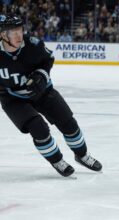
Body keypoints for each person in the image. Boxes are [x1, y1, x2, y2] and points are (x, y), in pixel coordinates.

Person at [0, 14, 102, 177]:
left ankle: (82, 155)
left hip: (43, 92)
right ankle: (57, 161)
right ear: (3, 35)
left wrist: (41, 75)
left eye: (20, 29)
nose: (19, 34)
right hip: (13, 99)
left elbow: (48, 59)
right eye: (13, 31)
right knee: (38, 128)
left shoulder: (33, 45)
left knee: (68, 123)